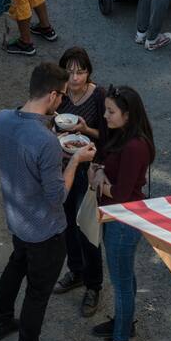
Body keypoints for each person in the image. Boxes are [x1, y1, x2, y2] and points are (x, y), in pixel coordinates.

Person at [0, 62, 96, 341]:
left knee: (16, 264)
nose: (62, 101)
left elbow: (1, 161)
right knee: (38, 292)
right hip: (45, 229)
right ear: (51, 96)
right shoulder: (46, 141)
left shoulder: (0, 120)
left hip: (16, 217)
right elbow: (57, 196)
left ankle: (2, 320)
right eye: (61, 95)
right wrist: (75, 159)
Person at [88, 86, 154, 341]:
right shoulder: (125, 137)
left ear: (128, 115)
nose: (105, 116)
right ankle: (124, 324)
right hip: (119, 219)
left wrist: (97, 183)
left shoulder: (135, 147)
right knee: (125, 277)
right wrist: (100, 170)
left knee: (121, 282)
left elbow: (122, 194)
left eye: (111, 111)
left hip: (122, 221)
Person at [53, 46, 107, 315]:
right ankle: (75, 271)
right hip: (62, 167)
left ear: (89, 73)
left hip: (88, 168)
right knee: (65, 224)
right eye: (70, 72)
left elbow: (107, 135)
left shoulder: (98, 96)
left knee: (86, 226)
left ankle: (94, 285)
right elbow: (49, 123)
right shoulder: (58, 93)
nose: (75, 78)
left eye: (81, 72)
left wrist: (86, 129)